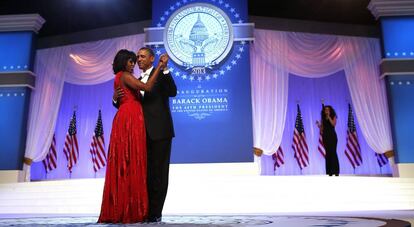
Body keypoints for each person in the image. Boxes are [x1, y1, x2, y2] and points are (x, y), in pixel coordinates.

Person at [98, 49, 168, 223]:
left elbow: (124, 95)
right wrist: (159, 66)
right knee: (127, 162)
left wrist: (115, 98)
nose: (133, 63)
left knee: (131, 163)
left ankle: (129, 207)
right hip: (129, 120)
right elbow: (147, 87)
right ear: (123, 62)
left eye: (134, 60)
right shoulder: (124, 75)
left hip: (133, 119)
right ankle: (127, 209)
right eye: (130, 61)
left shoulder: (125, 77)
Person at [113, 47, 177, 222]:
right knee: (145, 175)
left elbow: (173, 91)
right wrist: (115, 98)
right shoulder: (135, 79)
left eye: (142, 57)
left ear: (151, 59)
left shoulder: (161, 75)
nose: (138, 60)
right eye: (137, 57)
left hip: (159, 131)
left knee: (159, 174)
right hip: (140, 134)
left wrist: (164, 69)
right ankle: (146, 211)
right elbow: (128, 103)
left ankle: (155, 214)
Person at [317, 105, 340, 176]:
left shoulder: (334, 116)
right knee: (328, 153)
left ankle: (335, 171)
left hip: (332, 137)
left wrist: (329, 117)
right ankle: (330, 171)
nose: (326, 111)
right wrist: (319, 125)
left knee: (333, 152)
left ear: (330, 110)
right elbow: (322, 130)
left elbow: (333, 124)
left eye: (328, 110)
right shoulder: (323, 118)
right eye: (325, 110)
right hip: (325, 137)